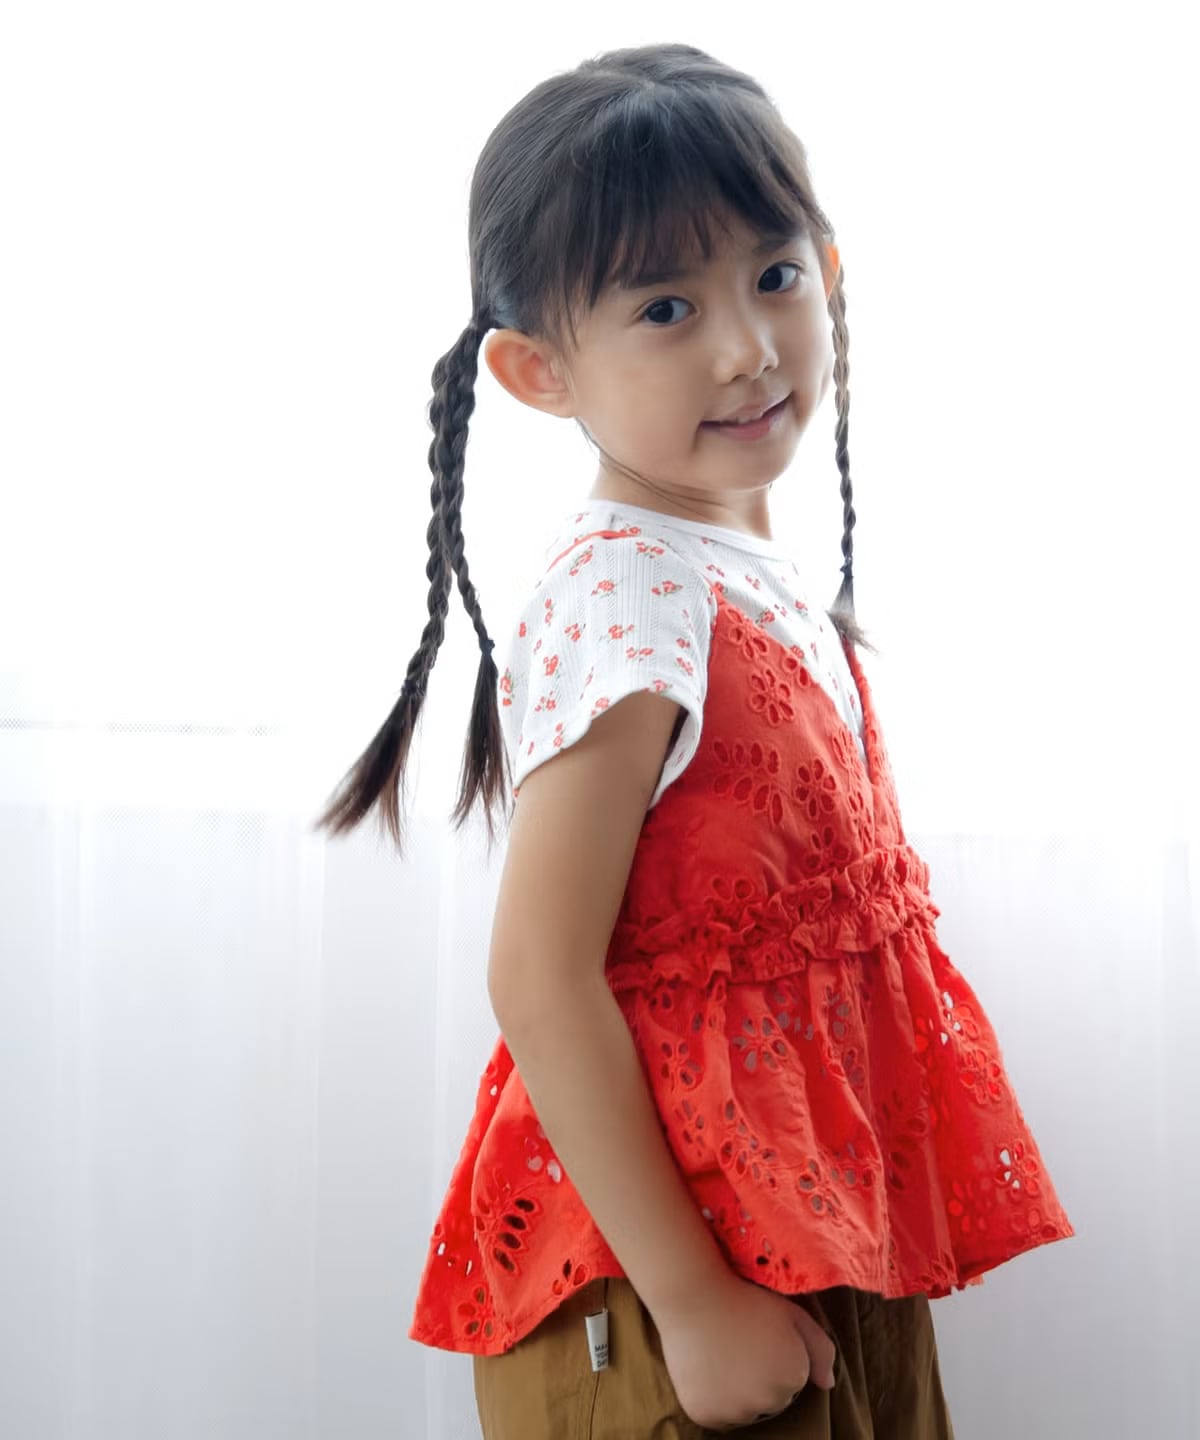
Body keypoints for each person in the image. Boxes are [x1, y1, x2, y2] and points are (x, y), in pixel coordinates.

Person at [314, 42, 1074, 1438]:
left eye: (773, 275)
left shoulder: (731, 566)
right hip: (671, 1284)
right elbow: (540, 975)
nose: (745, 346)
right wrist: (691, 1298)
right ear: (540, 371)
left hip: (805, 1228)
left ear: (831, 271)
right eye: (667, 307)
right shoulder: (631, 591)